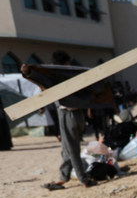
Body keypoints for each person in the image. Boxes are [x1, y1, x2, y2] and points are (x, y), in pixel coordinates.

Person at [21, 50, 97, 190]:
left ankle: (84, 179)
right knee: (66, 148)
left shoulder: (58, 75)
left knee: (72, 148)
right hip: (77, 115)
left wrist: (28, 73)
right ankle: (63, 177)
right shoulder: (75, 75)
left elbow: (42, 80)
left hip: (68, 114)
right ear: (67, 62)